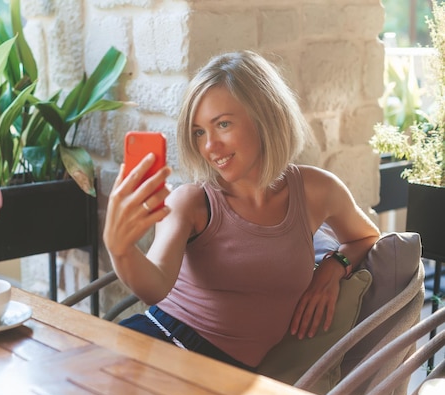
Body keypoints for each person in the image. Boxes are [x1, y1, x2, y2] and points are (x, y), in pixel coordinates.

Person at [103, 50, 380, 372]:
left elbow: (366, 236)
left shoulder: (317, 190)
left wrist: (333, 268)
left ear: (266, 117)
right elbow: (155, 287)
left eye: (222, 124)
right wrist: (119, 249)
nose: (209, 146)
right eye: (199, 132)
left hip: (225, 376)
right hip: (162, 343)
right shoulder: (192, 201)